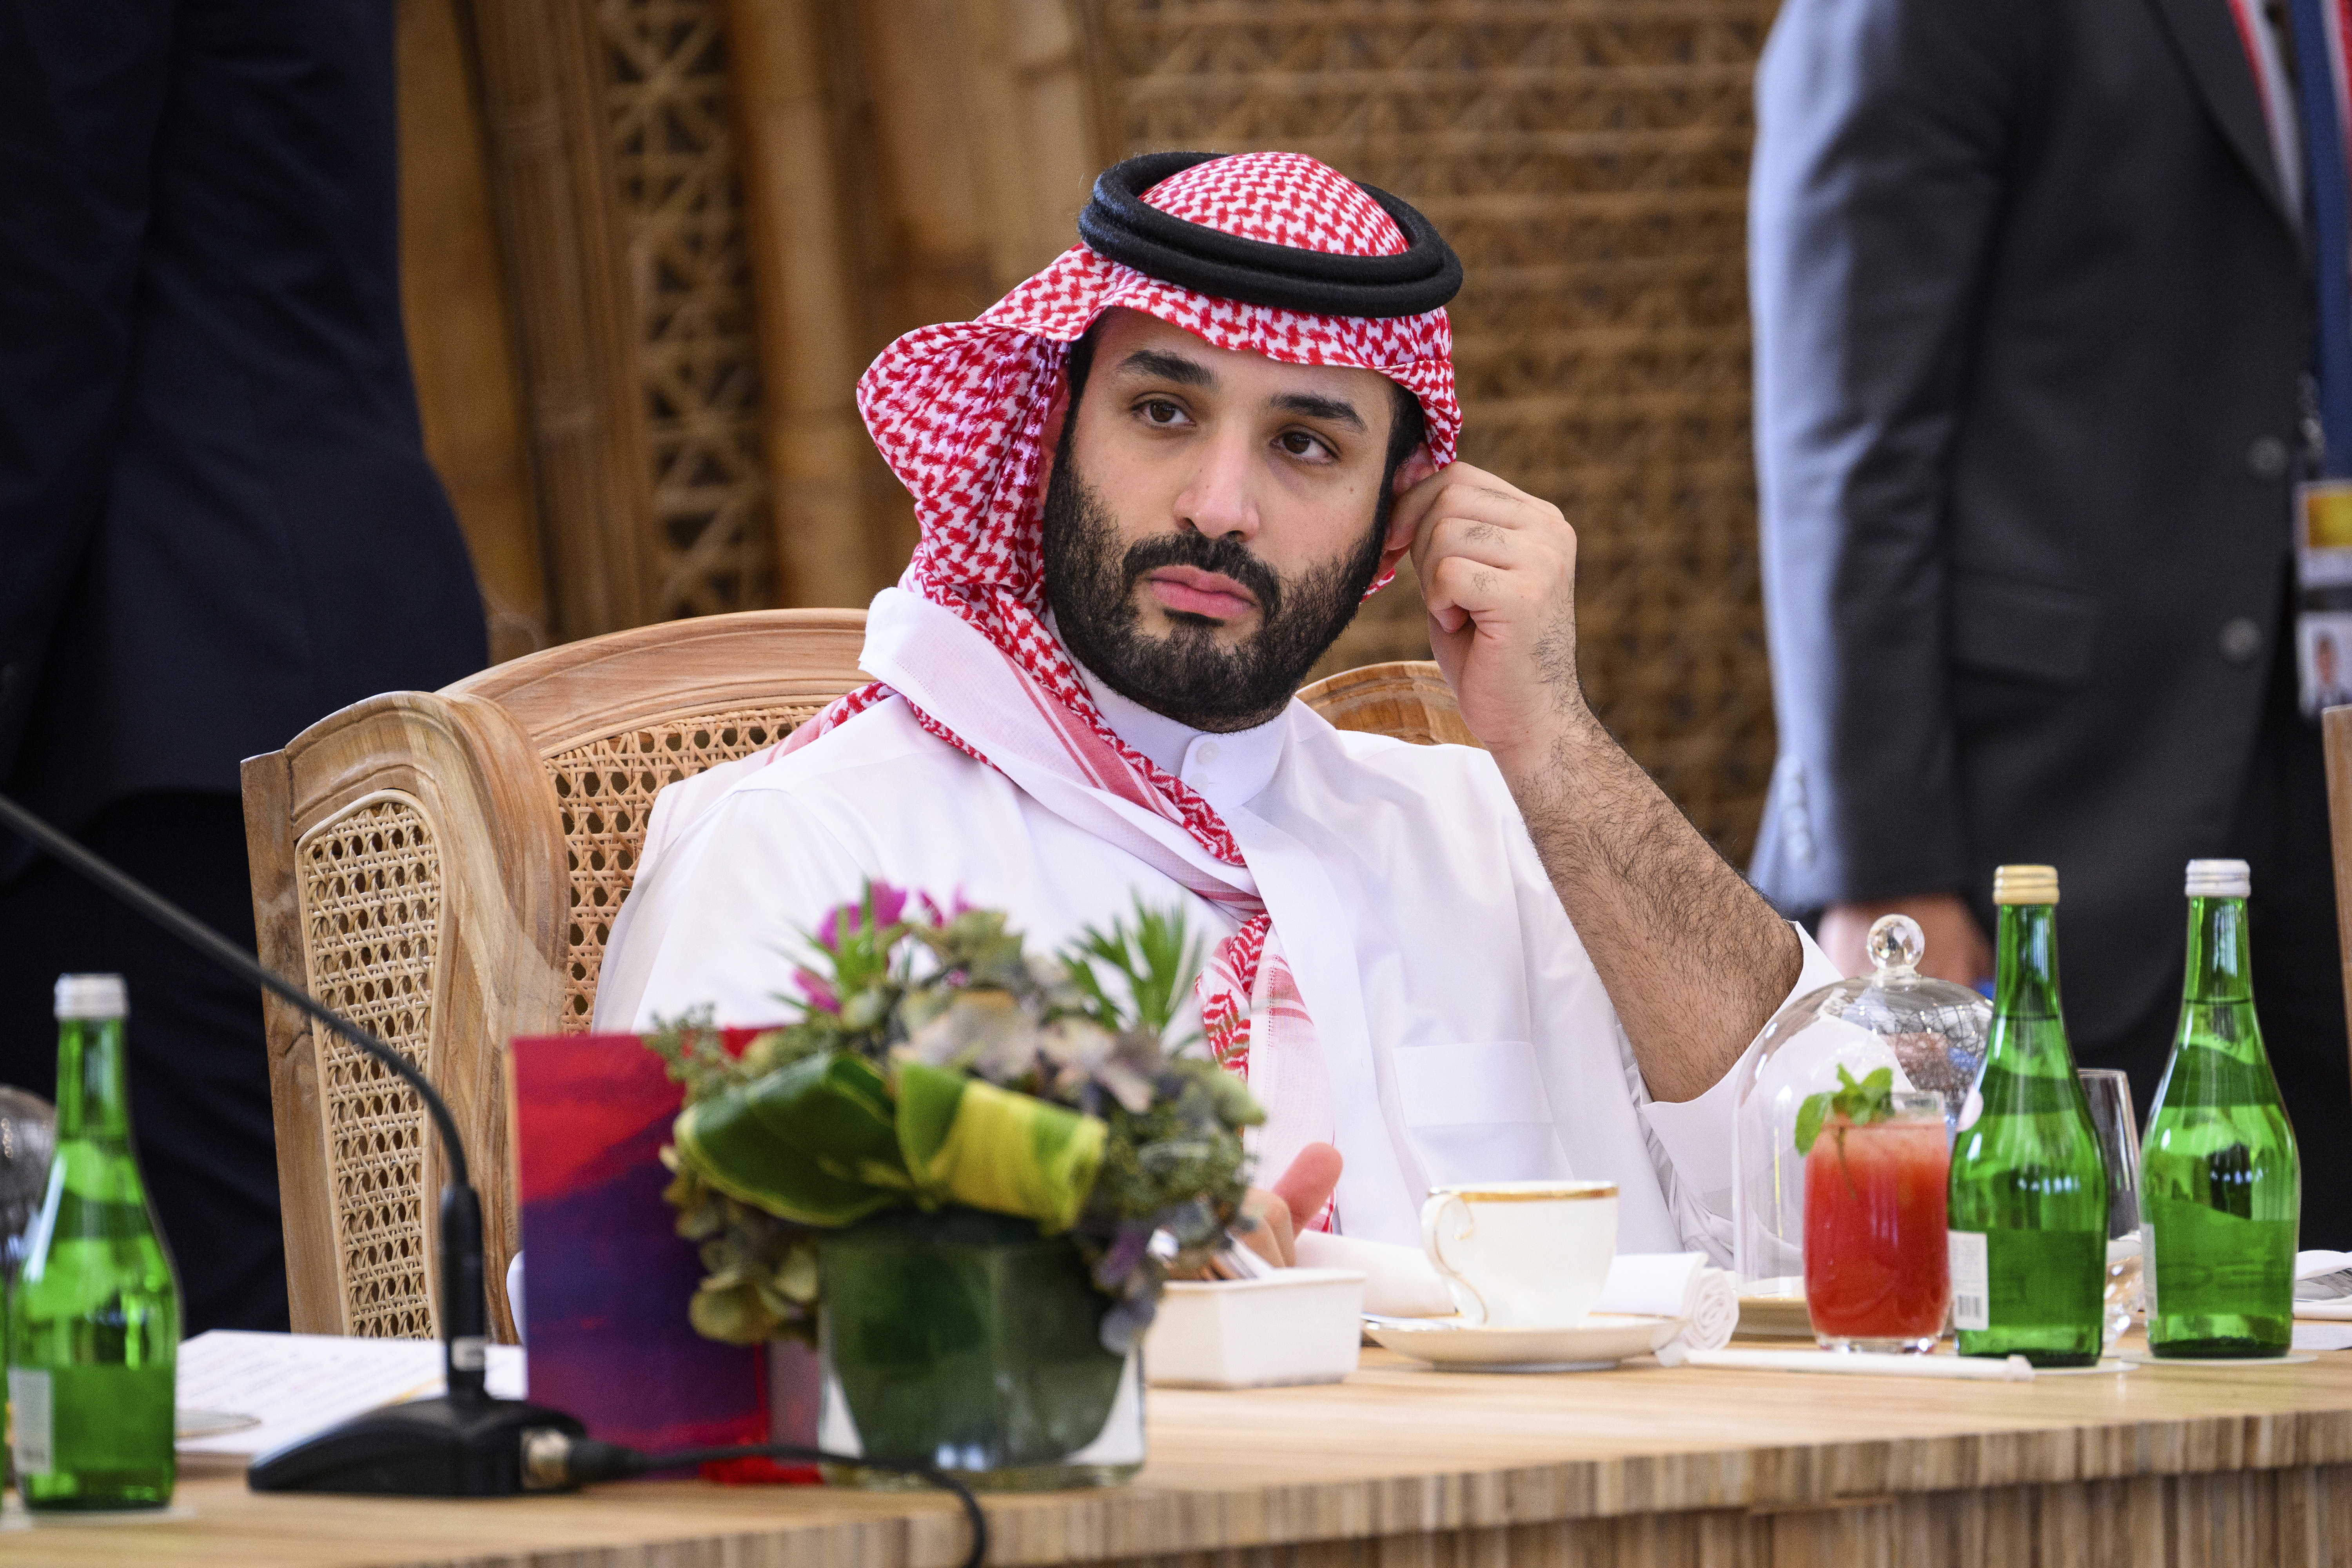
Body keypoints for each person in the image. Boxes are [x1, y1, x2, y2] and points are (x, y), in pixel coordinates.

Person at [595, 151, 1840, 1261]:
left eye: (1306, 444)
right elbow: (651, 1314)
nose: (1218, 504)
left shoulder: (1499, 837)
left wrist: (1558, 753)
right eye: (1162, 411)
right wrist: (1067, 1264)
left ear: (1395, 520)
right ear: (1052, 435)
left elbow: (1862, 1192)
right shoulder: (821, 842)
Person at [1746, 0, 2352, 1247]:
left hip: (2315, 788)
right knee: (2032, 1334)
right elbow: (1848, 440)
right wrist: (1888, 875)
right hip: (2043, 823)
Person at [0, 2, 489, 1329]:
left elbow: (37, 291)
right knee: (356, 1325)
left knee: (243, 1368)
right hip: (294, 635)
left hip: (150, 696)